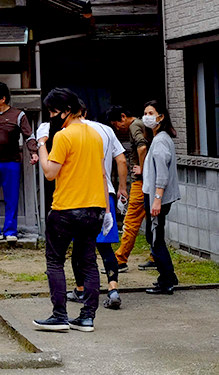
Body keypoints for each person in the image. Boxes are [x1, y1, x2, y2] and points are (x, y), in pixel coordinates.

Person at [34, 88, 106, 333]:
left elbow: (49, 172)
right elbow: (102, 172)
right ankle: (87, 317)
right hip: (94, 208)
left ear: (66, 111)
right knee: (88, 262)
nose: (51, 116)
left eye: (53, 111)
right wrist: (106, 209)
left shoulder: (63, 137)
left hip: (66, 208)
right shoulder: (95, 135)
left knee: (55, 261)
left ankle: (59, 316)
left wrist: (41, 144)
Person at [79, 106, 128, 311]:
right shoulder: (107, 130)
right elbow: (121, 159)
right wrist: (122, 187)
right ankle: (113, 289)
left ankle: (82, 289)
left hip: (80, 194)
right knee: (105, 245)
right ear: (85, 111)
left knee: (82, 245)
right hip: (105, 192)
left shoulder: (69, 132)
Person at [0, 82, 38, 243]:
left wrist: (33, 152)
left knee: (11, 198)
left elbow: (29, 135)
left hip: (11, 162)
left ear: (3, 99)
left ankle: (10, 232)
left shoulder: (18, 115)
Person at [142, 101, 180, 295]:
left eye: (151, 113)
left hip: (157, 197)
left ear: (161, 116)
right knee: (154, 237)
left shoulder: (160, 141)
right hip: (156, 196)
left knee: (155, 239)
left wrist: (157, 199)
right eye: (145, 113)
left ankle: (167, 280)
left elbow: (162, 174)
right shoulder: (160, 139)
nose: (147, 117)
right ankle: (168, 276)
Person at [111, 103, 154, 271]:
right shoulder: (142, 124)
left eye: (116, 124)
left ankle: (120, 259)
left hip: (140, 181)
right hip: (150, 181)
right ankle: (155, 257)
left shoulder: (134, 125)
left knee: (131, 221)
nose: (118, 128)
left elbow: (142, 146)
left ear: (123, 117)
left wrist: (142, 168)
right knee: (152, 221)